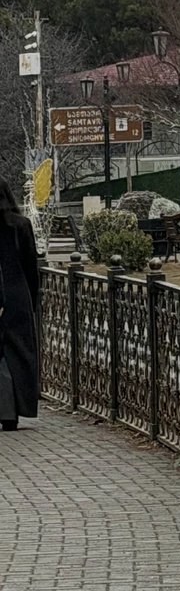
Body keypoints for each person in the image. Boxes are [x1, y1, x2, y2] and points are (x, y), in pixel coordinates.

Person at [0, 179, 39, 430]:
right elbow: (30, 266)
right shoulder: (21, 225)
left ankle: (4, 407)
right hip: (17, 294)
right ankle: (16, 409)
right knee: (19, 352)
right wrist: (32, 299)